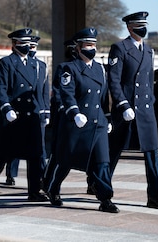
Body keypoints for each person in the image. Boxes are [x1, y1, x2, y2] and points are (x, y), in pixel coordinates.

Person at [45, 27, 119, 213]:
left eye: (93, 44)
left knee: (102, 162)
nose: (91, 48)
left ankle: (105, 199)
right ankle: (52, 188)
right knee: (65, 161)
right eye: (87, 45)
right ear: (78, 48)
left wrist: (108, 118)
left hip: (98, 123)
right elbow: (66, 93)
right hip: (77, 123)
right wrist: (74, 113)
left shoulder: (99, 69)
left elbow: (104, 97)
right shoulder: (68, 69)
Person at [107, 11, 158, 210]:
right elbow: (114, 80)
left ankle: (154, 196)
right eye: (138, 25)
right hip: (126, 109)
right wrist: (123, 105)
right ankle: (100, 186)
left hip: (144, 110)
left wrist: (151, 101)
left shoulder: (149, 50)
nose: (142, 28)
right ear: (129, 27)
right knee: (113, 152)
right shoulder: (119, 48)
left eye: (144, 24)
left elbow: (149, 81)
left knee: (152, 152)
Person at [0, 28, 48, 202]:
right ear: (14, 44)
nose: (26, 47)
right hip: (12, 116)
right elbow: (0, 88)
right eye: (22, 43)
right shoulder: (6, 62)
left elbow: (38, 90)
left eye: (28, 43)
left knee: (35, 155)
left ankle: (34, 191)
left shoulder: (35, 64)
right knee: (3, 154)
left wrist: (42, 111)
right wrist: (6, 108)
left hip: (31, 115)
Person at [5, 35, 51, 187]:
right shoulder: (13, 63)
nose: (31, 50)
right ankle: (11, 173)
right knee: (14, 146)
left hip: (36, 110)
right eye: (29, 46)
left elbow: (44, 90)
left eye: (33, 47)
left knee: (39, 149)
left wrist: (45, 111)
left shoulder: (40, 66)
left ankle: (41, 177)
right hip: (19, 110)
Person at [42, 39, 77, 193]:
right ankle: (47, 181)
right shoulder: (65, 67)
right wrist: (65, 108)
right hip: (64, 116)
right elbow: (58, 92)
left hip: (80, 116)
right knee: (58, 153)